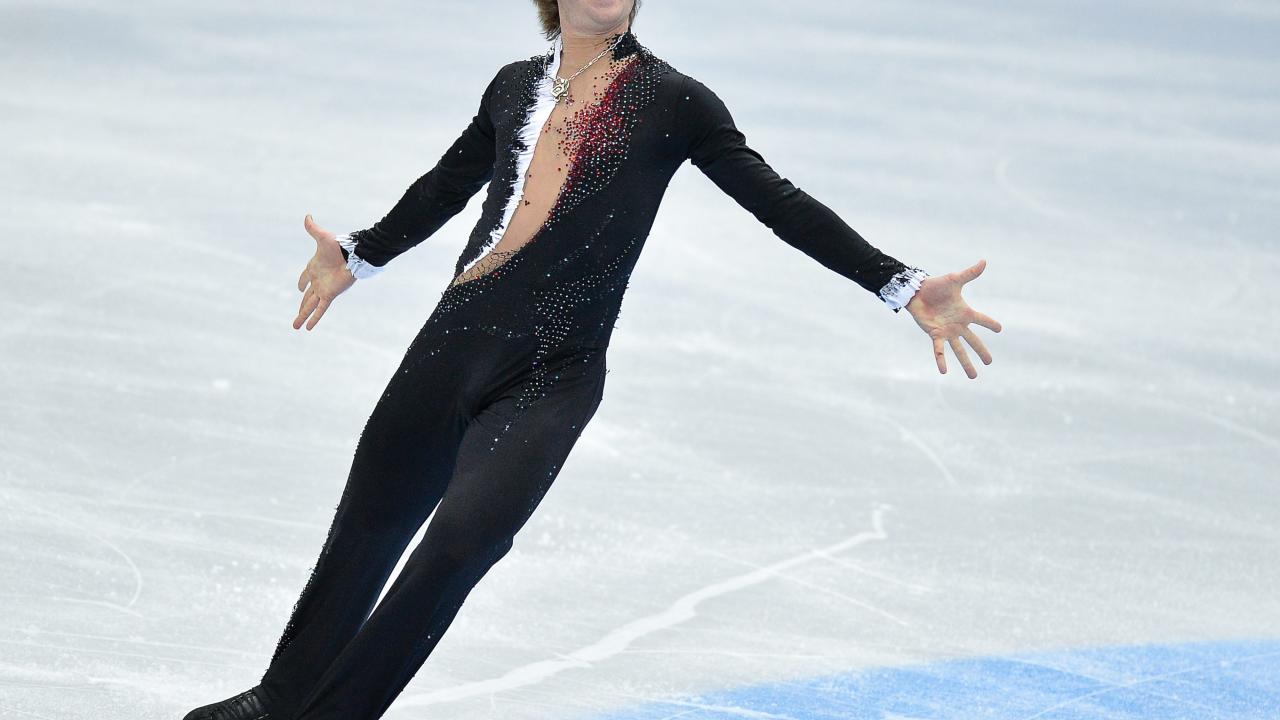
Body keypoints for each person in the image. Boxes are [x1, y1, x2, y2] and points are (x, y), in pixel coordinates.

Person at [183, 1, 1002, 718]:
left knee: (461, 543)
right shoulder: (511, 86)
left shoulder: (674, 101)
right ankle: (281, 699)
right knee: (368, 525)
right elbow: (445, 186)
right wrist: (360, 254)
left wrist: (899, 283)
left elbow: (777, 201)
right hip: (452, 342)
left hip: (554, 372)